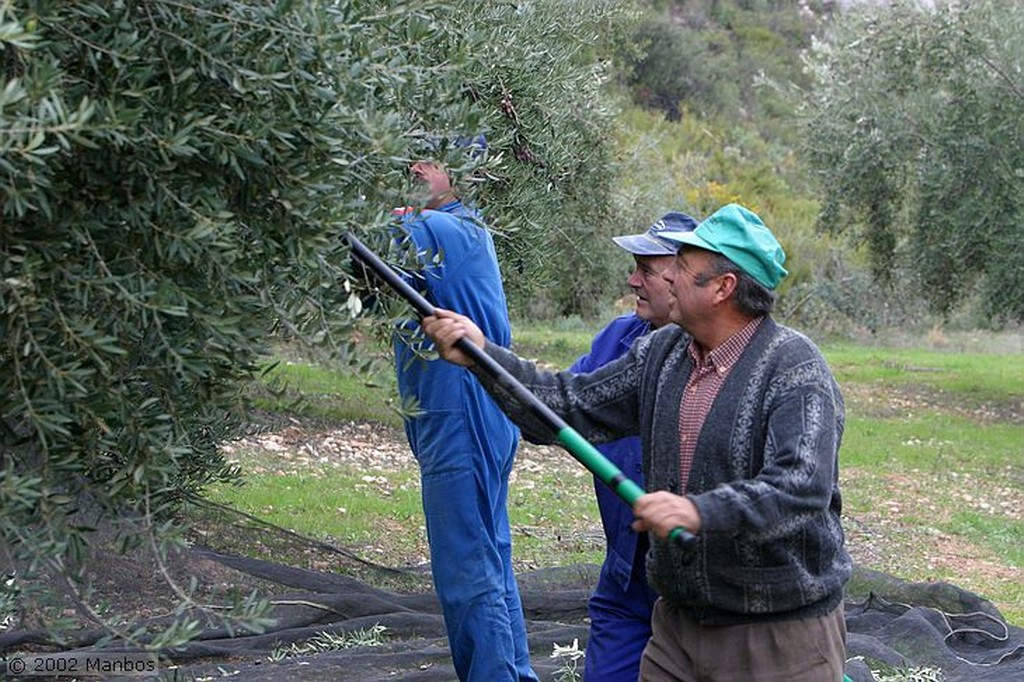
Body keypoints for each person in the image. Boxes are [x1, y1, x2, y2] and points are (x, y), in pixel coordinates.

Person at [420, 203, 852, 682]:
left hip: (776, 633)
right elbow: (567, 405)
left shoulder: (794, 369)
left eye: (682, 271)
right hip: (679, 625)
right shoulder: (663, 354)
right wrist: (482, 357)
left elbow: (801, 486)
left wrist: (698, 511)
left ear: (723, 289)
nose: (664, 281)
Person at [391, 137, 538, 682]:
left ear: (462, 175)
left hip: (463, 413)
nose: (414, 169)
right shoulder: (459, 228)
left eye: (430, 163)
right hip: (472, 412)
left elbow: (344, 237)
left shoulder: (440, 231)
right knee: (488, 558)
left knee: (467, 569)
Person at [573, 211, 698, 682]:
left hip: (701, 584)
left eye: (646, 269)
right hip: (627, 574)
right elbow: (561, 401)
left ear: (686, 275)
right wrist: (486, 362)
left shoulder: (726, 360)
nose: (633, 280)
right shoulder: (617, 341)